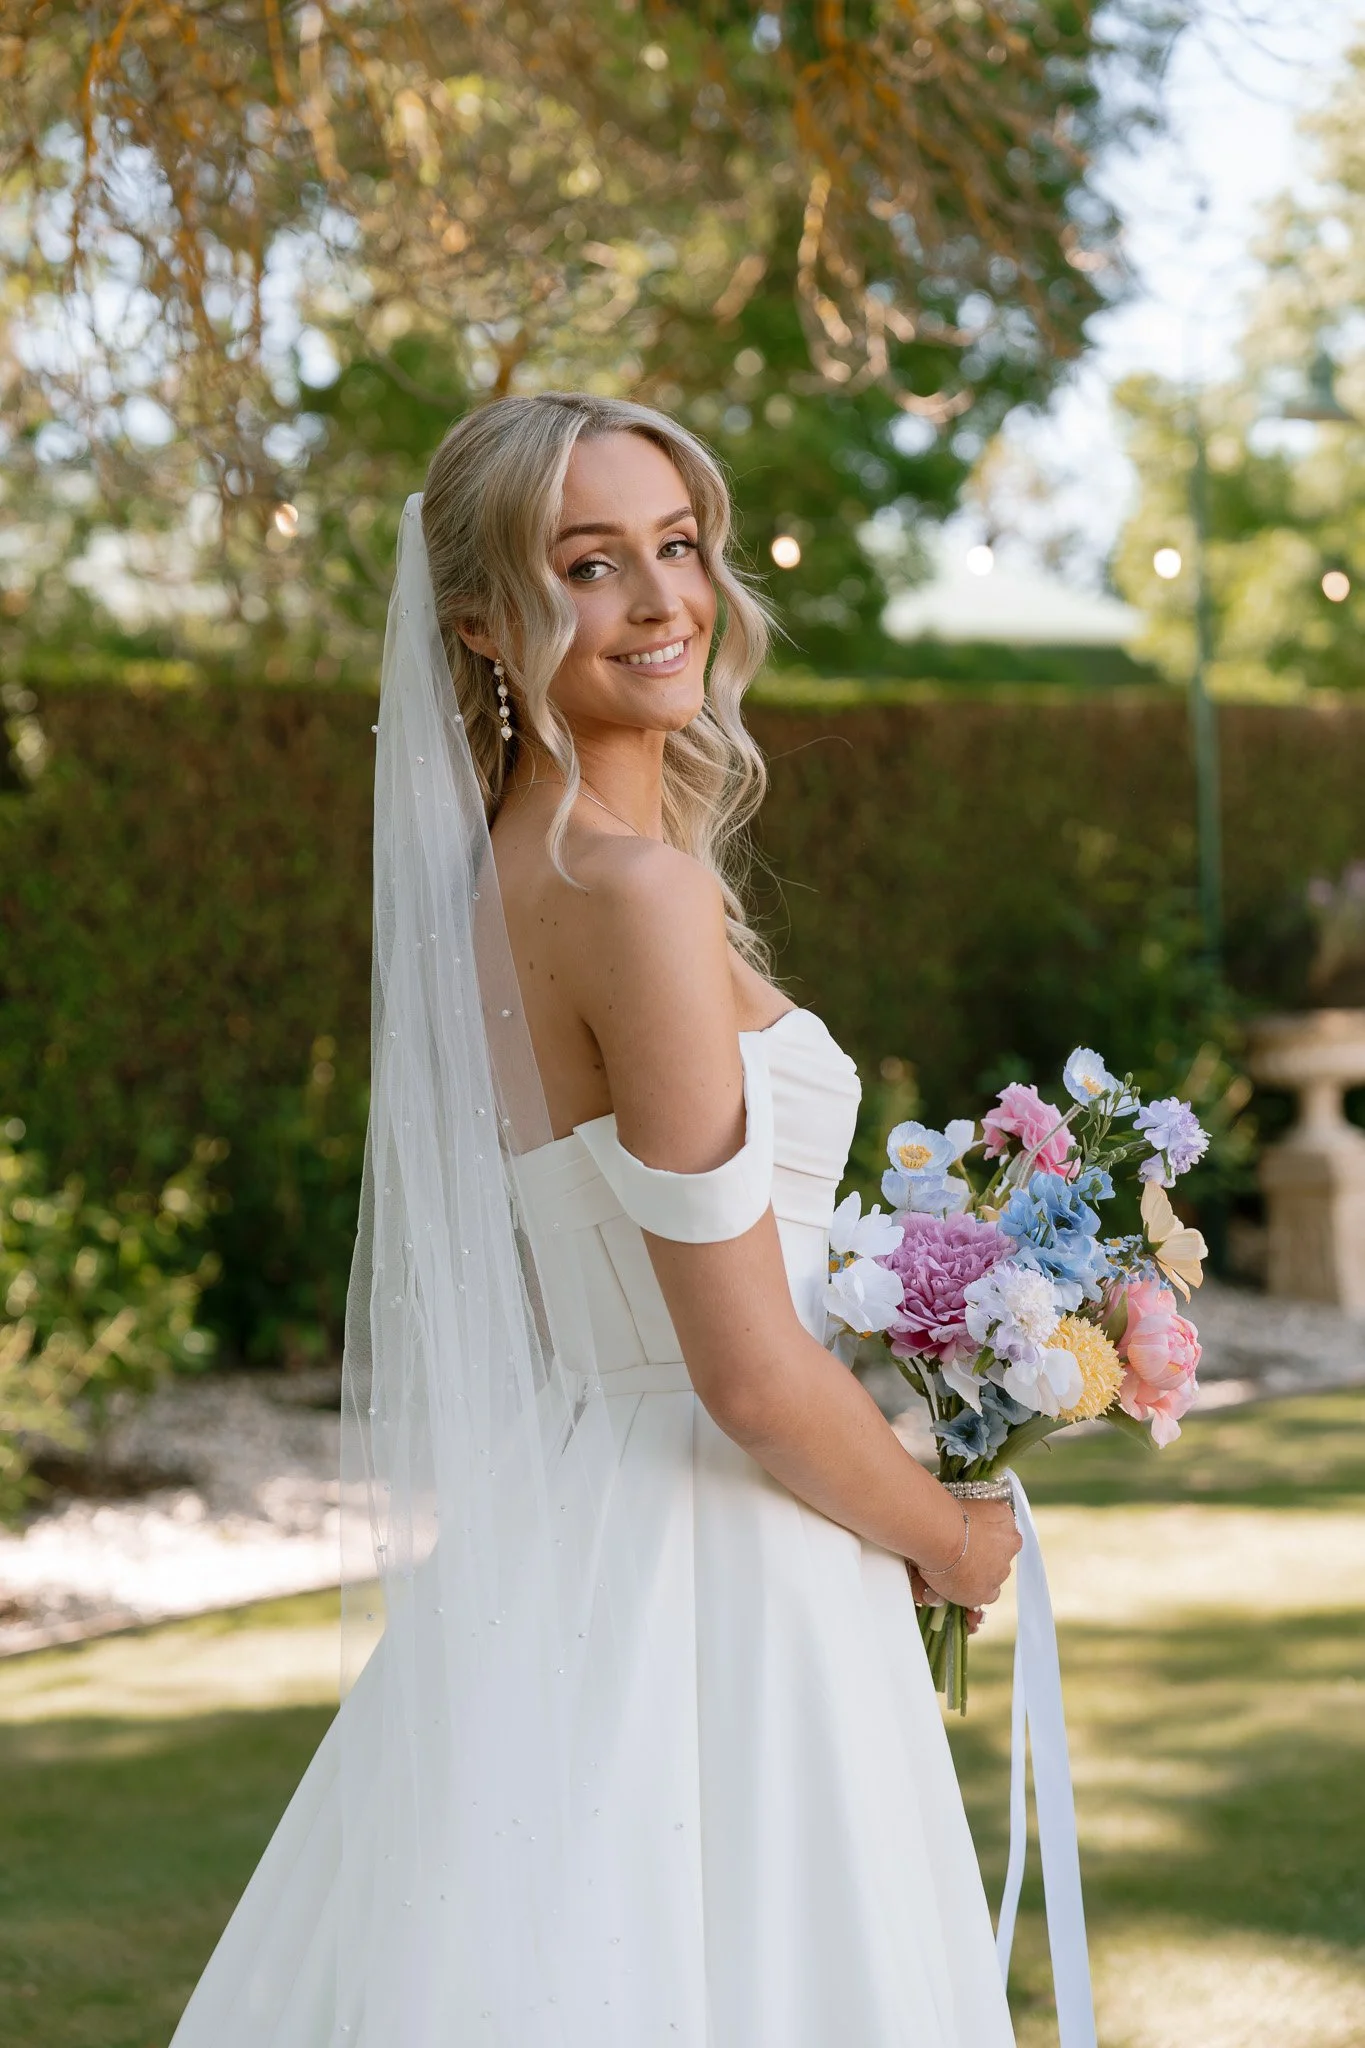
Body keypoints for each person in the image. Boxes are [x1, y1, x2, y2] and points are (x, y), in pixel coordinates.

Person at [168, 392, 1021, 2047]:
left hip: (592, 1526)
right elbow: (749, 1374)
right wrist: (948, 1533)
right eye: (590, 564)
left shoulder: (509, 881)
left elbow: (598, 1300)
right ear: (484, 621)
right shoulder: (630, 894)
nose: (660, 600)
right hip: (727, 1546)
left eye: (678, 547)